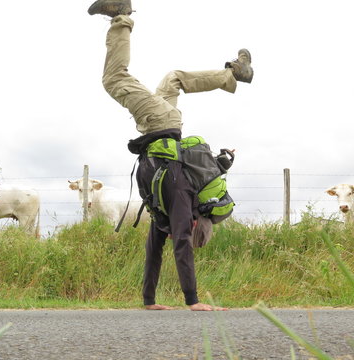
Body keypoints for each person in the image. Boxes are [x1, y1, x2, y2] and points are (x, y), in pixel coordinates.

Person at [88, 0, 253, 311]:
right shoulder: (180, 200)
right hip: (161, 124)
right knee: (115, 79)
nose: (186, 231)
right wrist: (194, 301)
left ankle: (232, 75)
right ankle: (121, 15)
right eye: (191, 229)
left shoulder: (165, 210)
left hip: (164, 127)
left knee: (173, 78)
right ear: (194, 223)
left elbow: (155, 248)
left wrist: (149, 301)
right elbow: (180, 243)